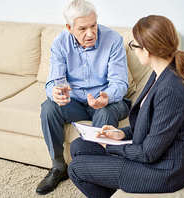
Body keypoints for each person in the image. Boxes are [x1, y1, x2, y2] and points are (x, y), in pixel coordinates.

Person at [68, 14, 184, 197]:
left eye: (134, 46)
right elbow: (151, 125)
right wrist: (121, 134)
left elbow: (149, 153)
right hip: (153, 156)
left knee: (76, 168)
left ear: (147, 50)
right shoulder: (158, 74)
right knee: (79, 146)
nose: (133, 50)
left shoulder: (171, 90)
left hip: (163, 171)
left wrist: (108, 146)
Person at [36, 0, 131, 195]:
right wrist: (55, 92)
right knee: (49, 107)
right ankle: (58, 167)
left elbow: (120, 84)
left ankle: (100, 175)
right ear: (69, 28)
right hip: (76, 102)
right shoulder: (60, 43)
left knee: (104, 112)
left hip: (108, 101)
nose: (90, 33)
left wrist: (106, 96)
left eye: (93, 26)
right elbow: (53, 82)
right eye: (83, 28)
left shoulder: (112, 39)